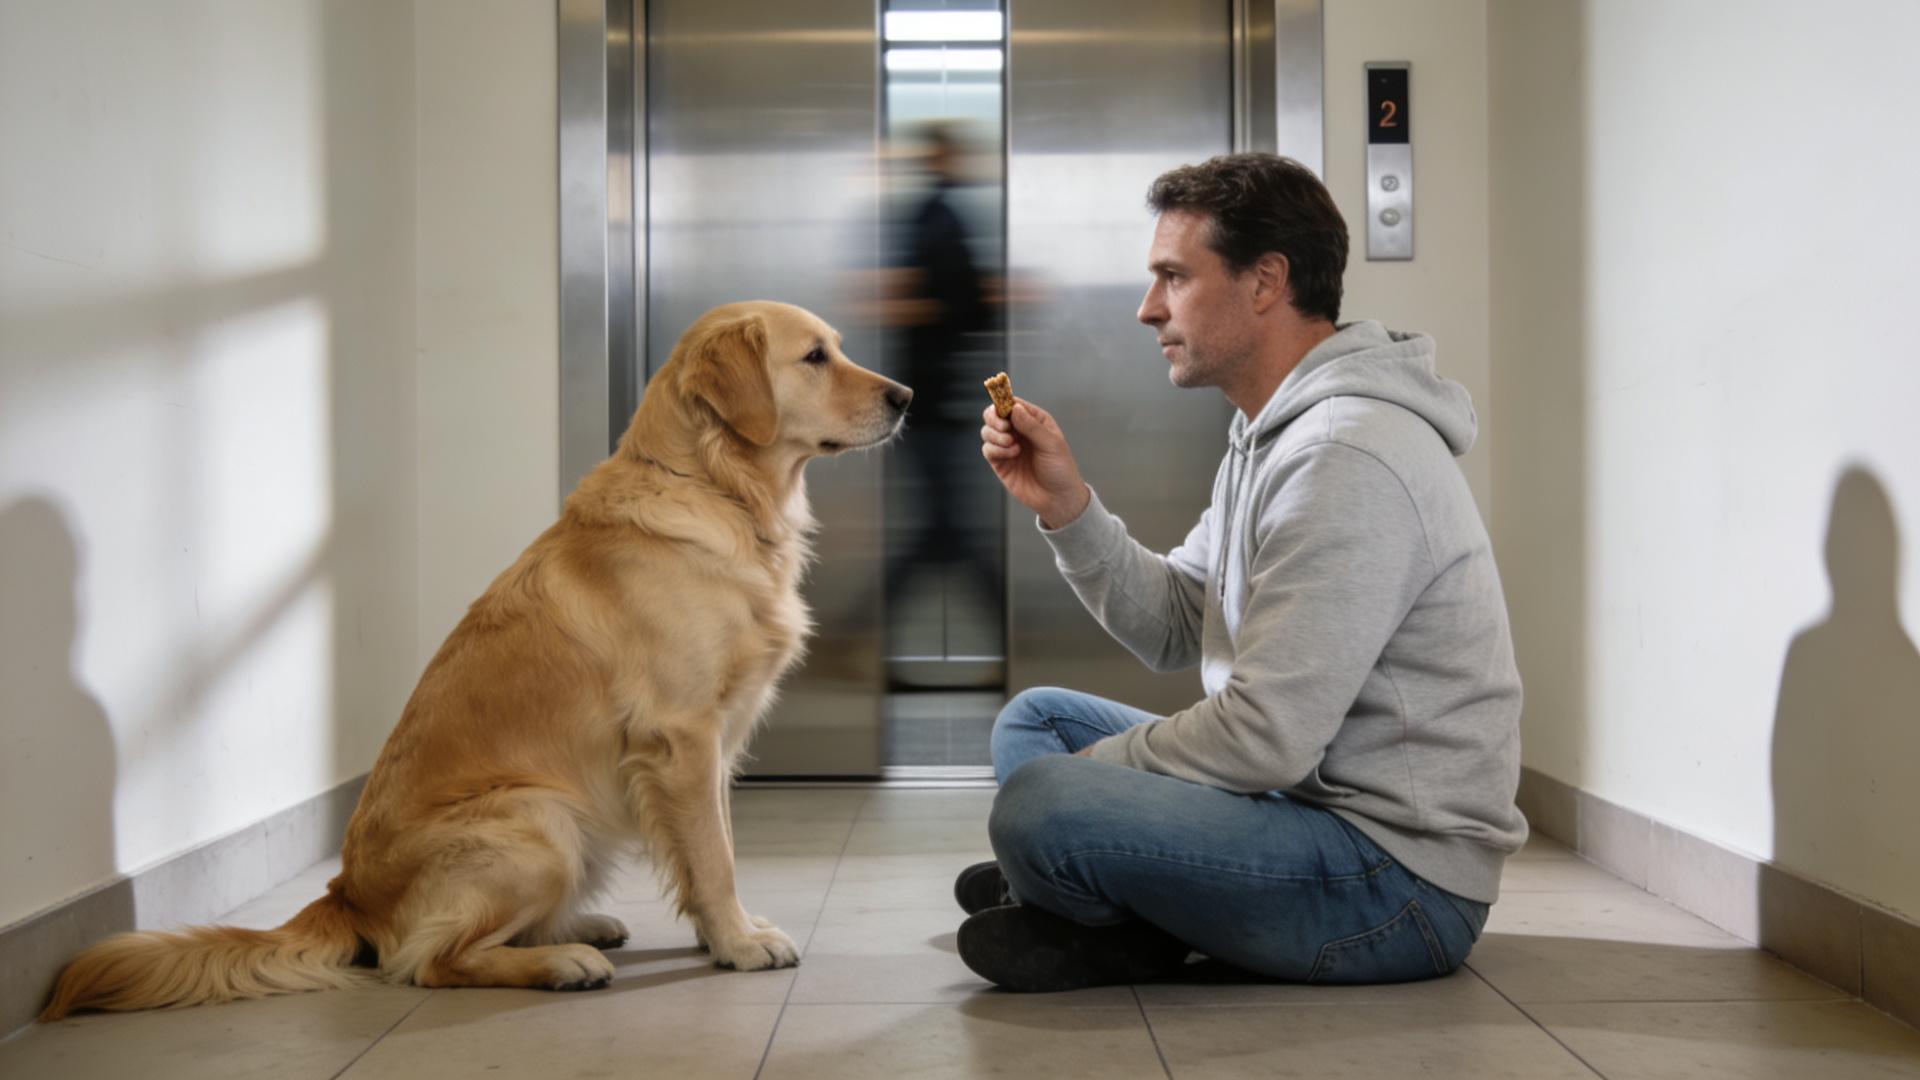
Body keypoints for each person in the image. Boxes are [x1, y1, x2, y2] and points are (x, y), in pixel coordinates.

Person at [953, 153, 1527, 992]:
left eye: (1174, 278)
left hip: (1395, 884)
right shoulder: (1269, 434)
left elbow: (1264, 736)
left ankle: (1110, 913)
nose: (1149, 309)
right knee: (1035, 726)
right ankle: (1112, 901)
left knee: (1043, 802)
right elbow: (1173, 625)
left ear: (1265, 282)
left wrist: (1087, 784)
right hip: (1295, 807)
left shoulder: (1345, 452)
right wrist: (1067, 507)